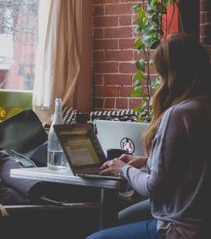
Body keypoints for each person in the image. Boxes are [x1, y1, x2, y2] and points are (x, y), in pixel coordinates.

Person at [87, 33, 211, 238]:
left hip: (180, 227)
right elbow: (194, 166)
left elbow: (154, 188)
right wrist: (146, 161)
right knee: (117, 219)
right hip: (203, 221)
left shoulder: (179, 115)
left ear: (172, 74)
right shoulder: (203, 107)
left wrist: (123, 169)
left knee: (94, 237)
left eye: (160, 72)